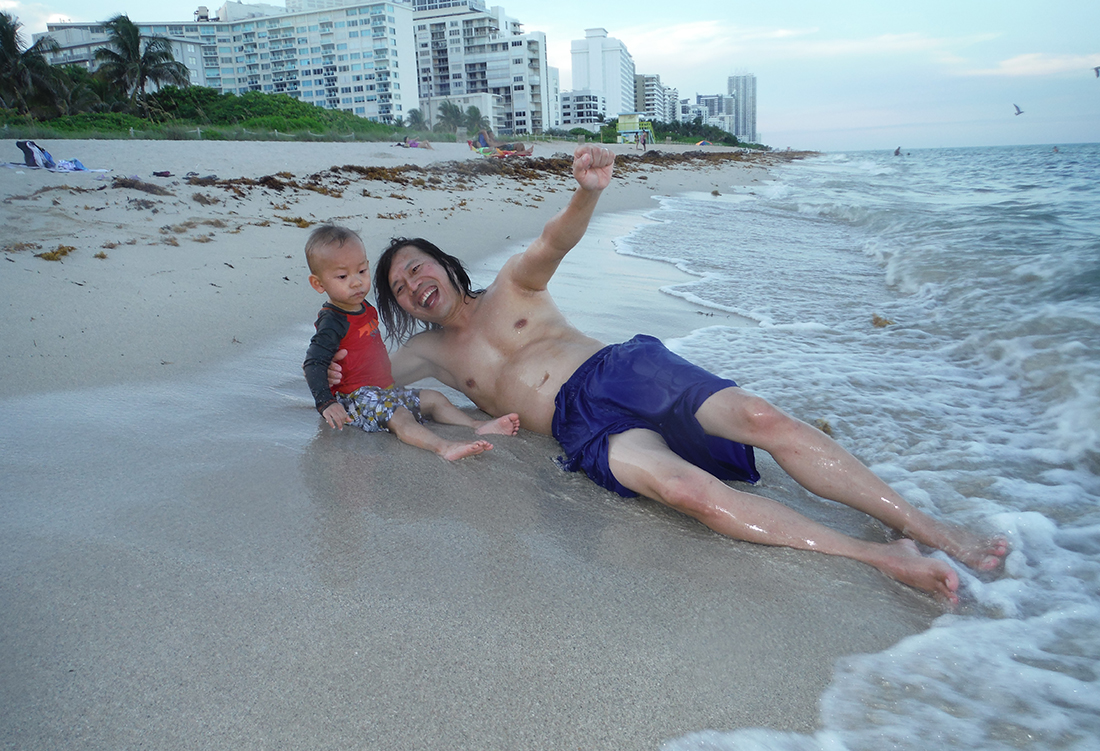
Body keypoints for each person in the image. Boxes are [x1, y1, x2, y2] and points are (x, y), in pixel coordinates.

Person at [331, 146, 1007, 603]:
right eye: (398, 284)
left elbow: (553, 240)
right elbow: (354, 381)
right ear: (395, 304)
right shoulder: (422, 355)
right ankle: (884, 559)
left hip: (624, 369)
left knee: (763, 420)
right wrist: (332, 376)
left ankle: (934, 528)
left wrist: (586, 193)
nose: (414, 281)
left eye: (420, 266)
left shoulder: (513, 285)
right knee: (691, 494)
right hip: (582, 426)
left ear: (447, 266)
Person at [302, 224, 519, 460]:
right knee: (401, 415)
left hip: (384, 391)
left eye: (362, 271)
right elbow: (314, 362)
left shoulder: (365, 308)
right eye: (343, 276)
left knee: (434, 399)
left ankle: (477, 425)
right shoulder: (333, 321)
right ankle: (444, 447)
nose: (356, 282)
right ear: (318, 284)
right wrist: (326, 402)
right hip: (357, 399)